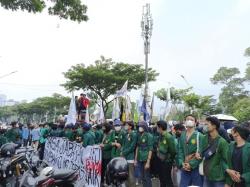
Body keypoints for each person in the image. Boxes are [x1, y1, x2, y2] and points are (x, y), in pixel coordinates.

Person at [201, 116, 229, 187]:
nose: (205, 126)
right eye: (204, 124)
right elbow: (201, 152)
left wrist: (228, 182)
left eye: (207, 124)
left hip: (218, 178)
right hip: (206, 175)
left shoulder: (222, 142)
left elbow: (227, 161)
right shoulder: (204, 138)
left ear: (214, 126)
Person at [177, 114, 204, 187]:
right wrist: (181, 163)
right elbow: (180, 150)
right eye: (187, 119)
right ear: (185, 122)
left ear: (195, 123)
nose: (189, 121)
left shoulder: (200, 136)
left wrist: (191, 164)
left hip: (196, 168)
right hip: (184, 167)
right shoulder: (182, 134)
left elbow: (201, 153)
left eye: (191, 120)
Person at [156, 120, 176, 187]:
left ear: (160, 127)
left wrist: (169, 158)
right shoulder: (160, 136)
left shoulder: (168, 137)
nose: (156, 128)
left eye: (157, 127)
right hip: (160, 160)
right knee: (161, 179)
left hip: (167, 161)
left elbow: (173, 151)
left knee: (167, 179)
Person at [134, 121, 153, 187]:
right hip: (140, 159)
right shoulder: (139, 135)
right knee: (142, 176)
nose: (139, 128)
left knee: (147, 176)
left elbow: (150, 149)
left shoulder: (149, 136)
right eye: (139, 126)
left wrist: (148, 162)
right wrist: (136, 159)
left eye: (141, 126)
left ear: (144, 127)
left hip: (146, 159)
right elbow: (137, 147)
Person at [121, 121, 137, 187]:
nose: (125, 126)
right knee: (125, 174)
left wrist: (124, 152)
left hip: (130, 157)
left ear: (130, 126)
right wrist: (122, 151)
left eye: (127, 125)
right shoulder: (126, 134)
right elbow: (124, 144)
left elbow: (132, 147)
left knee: (131, 175)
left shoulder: (134, 134)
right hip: (124, 157)